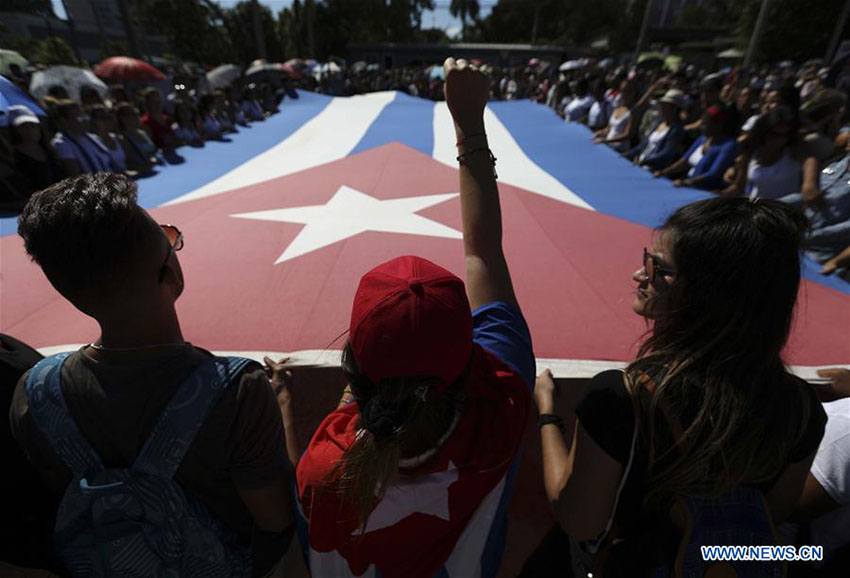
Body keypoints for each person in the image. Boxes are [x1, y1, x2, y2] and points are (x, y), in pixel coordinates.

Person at [271, 57, 534, 578]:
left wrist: (282, 406)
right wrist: (468, 121)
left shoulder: (327, 469)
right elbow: (483, 252)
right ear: (469, 355)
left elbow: (298, 514)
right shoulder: (504, 400)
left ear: (354, 368)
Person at [11, 173, 296, 576]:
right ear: (169, 274)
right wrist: (282, 403)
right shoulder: (238, 392)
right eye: (169, 239)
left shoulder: (35, 392)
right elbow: (276, 520)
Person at [534, 196, 826, 576]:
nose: (640, 276)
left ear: (709, 295)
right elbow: (771, 514)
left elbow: (578, 520)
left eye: (658, 268)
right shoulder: (802, 408)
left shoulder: (622, 397)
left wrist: (547, 415)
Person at [722, 106, 805, 199]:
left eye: (785, 135)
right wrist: (722, 194)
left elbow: (811, 161)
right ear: (763, 132)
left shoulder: (792, 151)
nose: (780, 140)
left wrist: (809, 184)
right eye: (774, 135)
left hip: (786, 209)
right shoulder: (750, 153)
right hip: (758, 206)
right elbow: (739, 186)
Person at [656, 105, 737, 190]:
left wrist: (687, 182)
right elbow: (684, 161)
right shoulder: (702, 138)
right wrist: (663, 172)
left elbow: (713, 174)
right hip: (685, 185)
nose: (701, 127)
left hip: (703, 192)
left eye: (705, 124)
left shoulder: (729, 145)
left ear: (718, 125)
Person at [7, 105, 61, 198]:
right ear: (15, 130)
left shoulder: (49, 150)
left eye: (33, 126)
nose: (29, 131)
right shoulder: (13, 156)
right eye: (23, 127)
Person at [49, 99, 113, 177]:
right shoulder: (62, 144)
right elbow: (75, 176)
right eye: (78, 117)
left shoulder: (94, 138)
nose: (83, 120)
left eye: (84, 116)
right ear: (64, 121)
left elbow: (110, 165)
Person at [628, 89, 687, 172]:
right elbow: (643, 145)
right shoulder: (658, 123)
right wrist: (629, 153)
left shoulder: (677, 130)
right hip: (640, 165)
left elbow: (666, 154)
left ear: (674, 109)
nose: (662, 108)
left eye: (665, 106)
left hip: (653, 171)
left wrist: (645, 161)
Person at [115, 102, 158, 175]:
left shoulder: (143, 132)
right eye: (131, 114)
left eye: (136, 113)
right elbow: (128, 166)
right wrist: (144, 165)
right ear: (122, 118)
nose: (136, 116)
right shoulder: (122, 139)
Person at [593, 80, 637, 152]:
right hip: (608, 147)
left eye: (627, 91)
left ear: (633, 93)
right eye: (622, 91)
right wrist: (600, 132)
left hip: (620, 151)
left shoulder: (633, 112)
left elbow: (627, 135)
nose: (624, 94)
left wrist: (606, 140)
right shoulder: (617, 107)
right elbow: (609, 128)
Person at [87, 104, 129, 174]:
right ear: (93, 121)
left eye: (108, 117)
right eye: (102, 118)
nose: (107, 120)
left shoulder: (119, 138)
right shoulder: (91, 144)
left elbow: (129, 163)